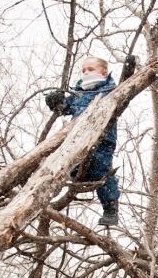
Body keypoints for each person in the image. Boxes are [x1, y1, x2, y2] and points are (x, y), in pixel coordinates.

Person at [44, 55, 136, 226]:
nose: (86, 73)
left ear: (103, 72)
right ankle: (68, 180)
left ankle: (110, 208)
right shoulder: (79, 94)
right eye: (84, 70)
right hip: (77, 139)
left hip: (102, 140)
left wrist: (129, 71)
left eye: (90, 69)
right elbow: (66, 108)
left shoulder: (110, 90)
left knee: (102, 172)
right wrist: (56, 101)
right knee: (70, 164)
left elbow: (126, 90)